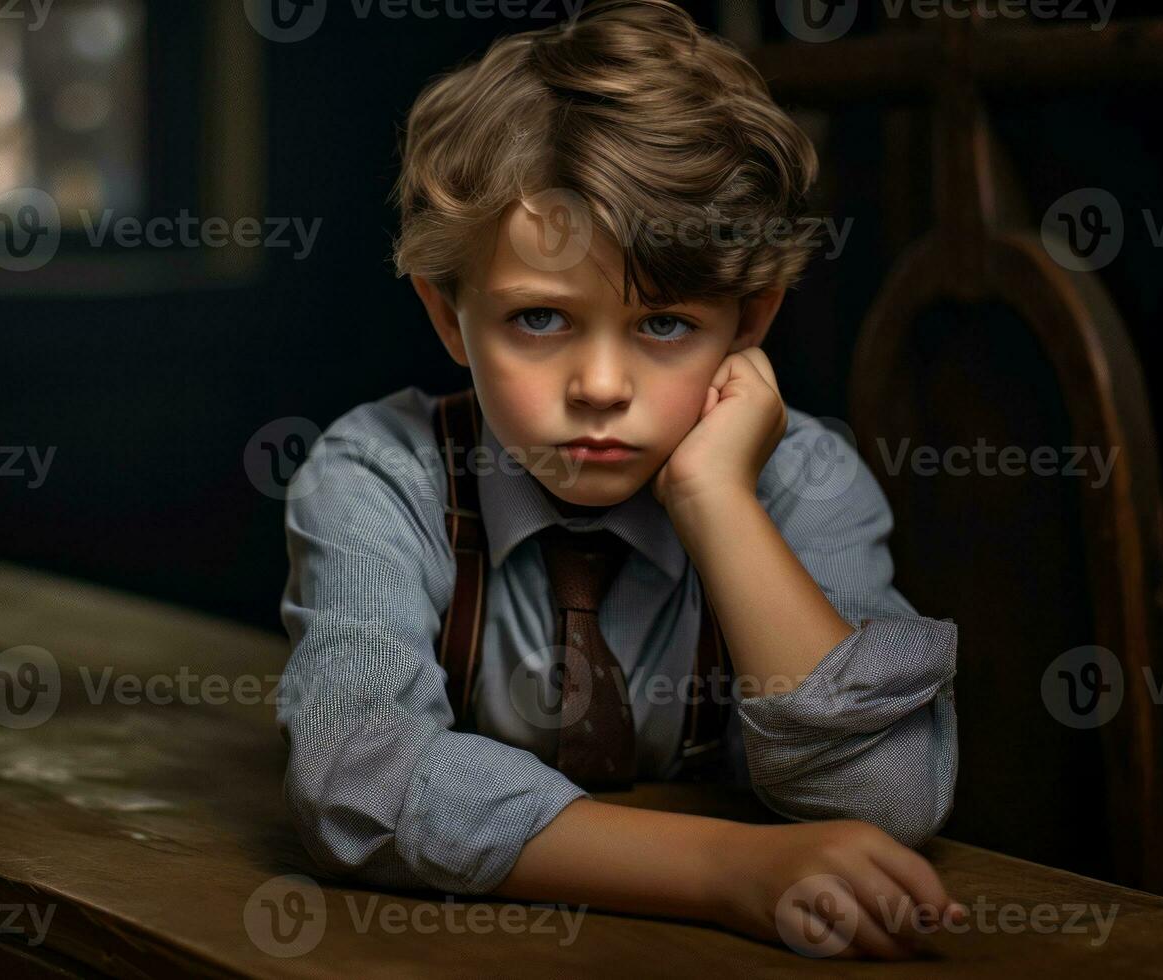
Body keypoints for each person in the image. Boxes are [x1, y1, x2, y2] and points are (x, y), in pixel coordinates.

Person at [277, 0, 965, 959]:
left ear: (749, 321)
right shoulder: (380, 475)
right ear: (447, 317)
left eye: (666, 325)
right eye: (540, 321)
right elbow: (354, 781)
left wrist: (718, 502)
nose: (600, 388)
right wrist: (726, 873)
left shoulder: (800, 480)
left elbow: (884, 798)